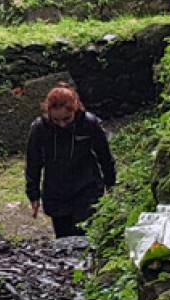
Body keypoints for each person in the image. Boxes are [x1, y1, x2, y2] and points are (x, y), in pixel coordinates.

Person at [25, 83, 116, 238]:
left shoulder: (89, 123)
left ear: (75, 109)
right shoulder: (39, 128)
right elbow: (33, 162)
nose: (62, 125)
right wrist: (33, 195)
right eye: (56, 120)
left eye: (67, 119)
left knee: (85, 235)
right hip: (55, 191)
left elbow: (104, 156)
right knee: (64, 238)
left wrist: (110, 183)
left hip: (87, 187)